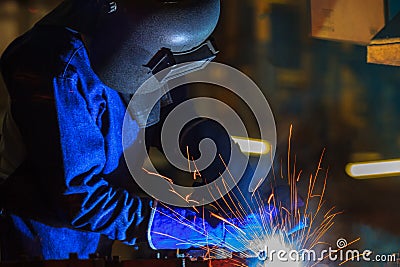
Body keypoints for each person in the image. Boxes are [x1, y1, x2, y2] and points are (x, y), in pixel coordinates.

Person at [0, 0, 284, 261]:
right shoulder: (58, 70)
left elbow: (168, 118)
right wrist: (197, 230)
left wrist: (227, 170)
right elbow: (82, 200)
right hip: (35, 245)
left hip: (90, 244)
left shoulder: (141, 45)